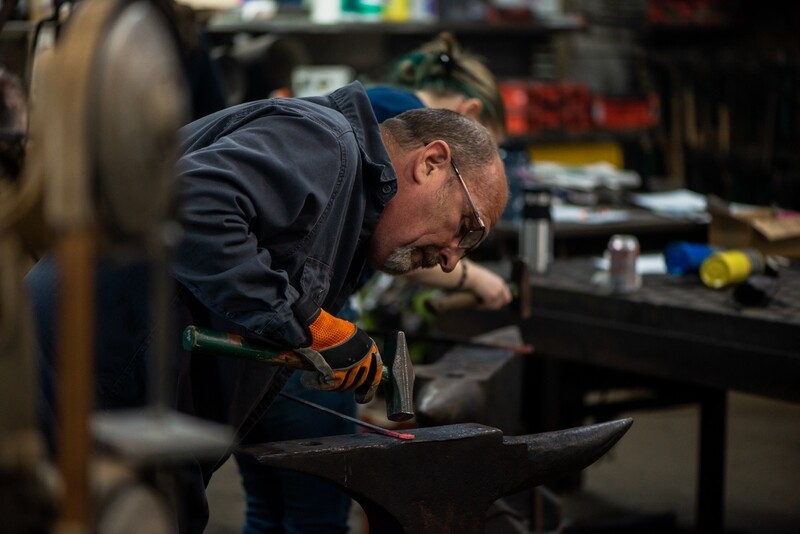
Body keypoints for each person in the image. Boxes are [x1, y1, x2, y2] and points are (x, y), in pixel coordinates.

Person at [26, 80, 508, 532]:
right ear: (431, 162)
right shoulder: (326, 144)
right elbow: (185, 204)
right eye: (467, 226)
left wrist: (307, 339)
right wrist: (308, 324)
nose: (451, 260)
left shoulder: (344, 186)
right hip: (80, 383)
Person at [232, 32, 513, 534]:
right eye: (487, 145)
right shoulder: (361, 131)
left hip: (272, 330)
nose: (451, 258)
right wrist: (310, 324)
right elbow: (201, 207)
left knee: (270, 506)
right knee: (313, 515)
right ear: (441, 149)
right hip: (293, 337)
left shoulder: (378, 120)